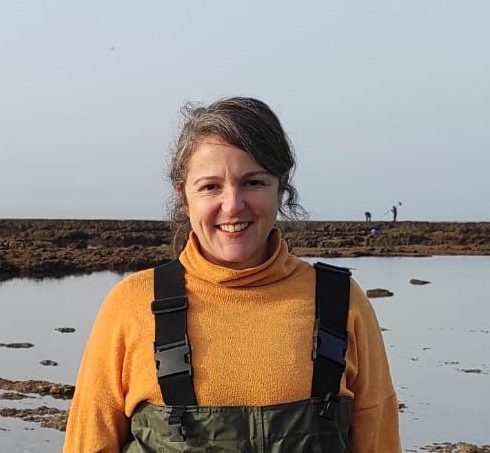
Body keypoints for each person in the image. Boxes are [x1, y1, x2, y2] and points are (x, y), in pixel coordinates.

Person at [63, 97, 401, 452]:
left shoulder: (341, 303)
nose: (233, 205)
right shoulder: (132, 304)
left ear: (280, 188)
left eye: (253, 182)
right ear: (184, 197)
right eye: (210, 186)